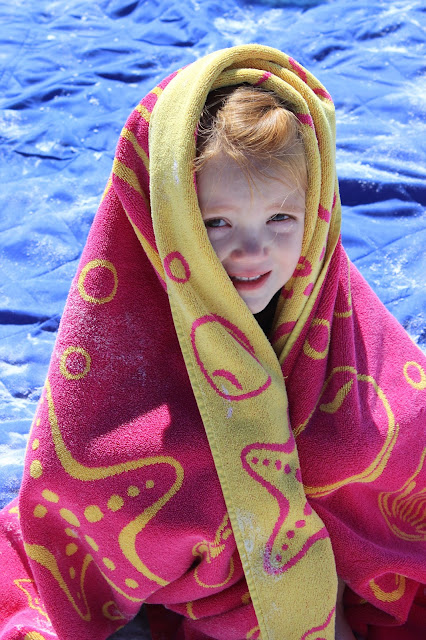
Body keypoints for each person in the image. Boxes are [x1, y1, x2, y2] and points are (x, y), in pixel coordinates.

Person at [0, 44, 424, 640]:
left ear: (316, 213)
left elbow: (402, 435)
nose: (252, 250)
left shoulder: (337, 313)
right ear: (170, 218)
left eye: (280, 219)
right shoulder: (122, 335)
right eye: (217, 223)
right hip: (212, 590)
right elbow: (77, 485)